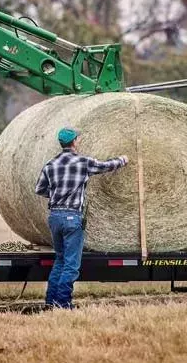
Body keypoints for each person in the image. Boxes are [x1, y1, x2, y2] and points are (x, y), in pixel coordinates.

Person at [35, 127, 128, 309]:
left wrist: (56, 194)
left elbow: (39, 189)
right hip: (71, 217)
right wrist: (123, 159)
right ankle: (63, 303)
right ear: (75, 141)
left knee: (60, 260)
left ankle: (50, 301)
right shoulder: (83, 162)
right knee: (71, 264)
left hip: (54, 216)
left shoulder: (51, 164)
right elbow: (106, 166)